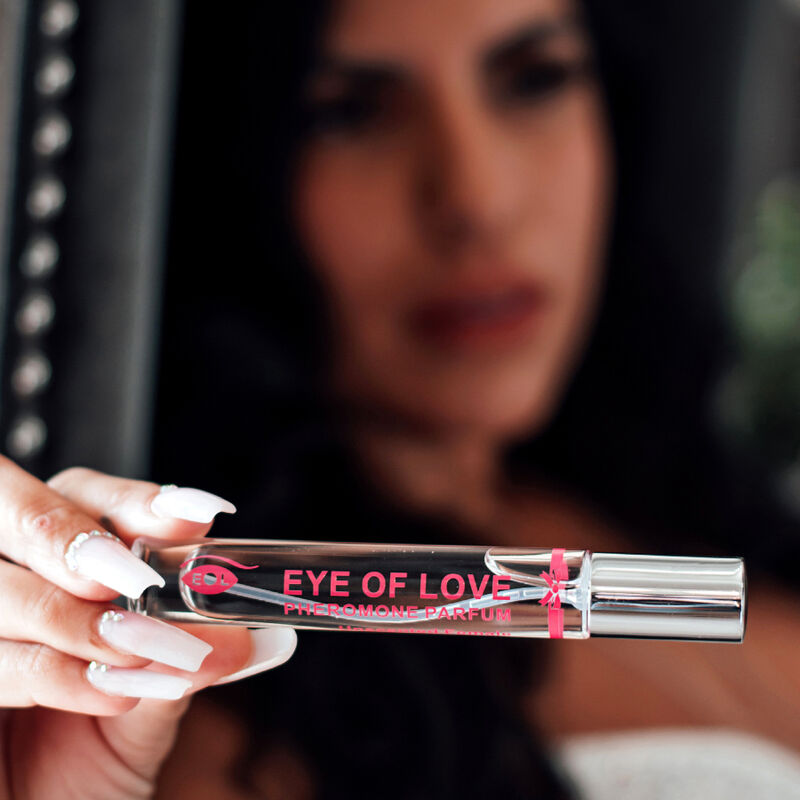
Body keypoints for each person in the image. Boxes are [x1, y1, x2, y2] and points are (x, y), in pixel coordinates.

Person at [2, 1, 799, 798]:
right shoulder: (208, 711)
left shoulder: (687, 505)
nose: (477, 199)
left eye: (535, 79)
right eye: (350, 114)